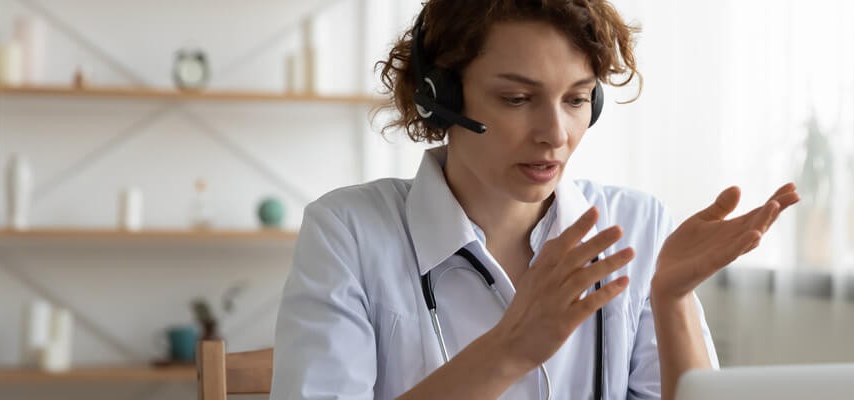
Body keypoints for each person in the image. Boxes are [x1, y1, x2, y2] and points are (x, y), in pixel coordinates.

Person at [270, 1, 800, 399]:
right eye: (517, 98)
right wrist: (511, 348)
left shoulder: (637, 225)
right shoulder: (347, 233)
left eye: (577, 98)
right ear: (440, 98)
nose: (555, 133)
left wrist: (672, 298)